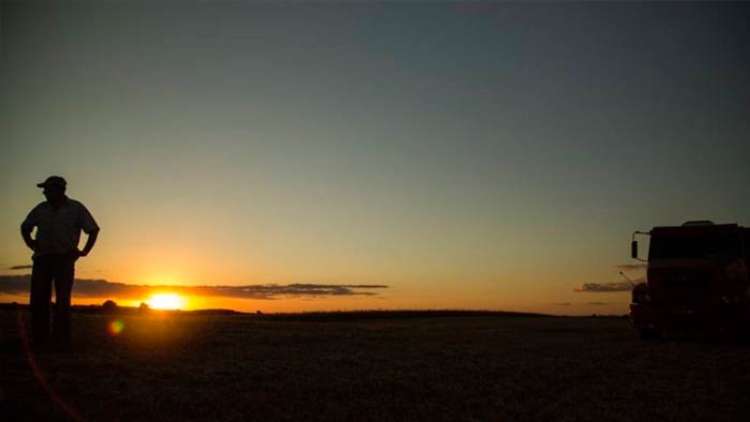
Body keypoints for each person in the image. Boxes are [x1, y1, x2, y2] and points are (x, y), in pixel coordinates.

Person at [20, 176, 100, 348]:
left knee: (63, 301)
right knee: (39, 300)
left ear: (59, 190)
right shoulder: (41, 209)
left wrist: (84, 251)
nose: (44, 192)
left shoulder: (76, 208)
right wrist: (31, 243)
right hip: (42, 259)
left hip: (64, 259)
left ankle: (61, 341)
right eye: (45, 189)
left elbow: (93, 229)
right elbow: (25, 227)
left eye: (48, 189)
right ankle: (40, 340)